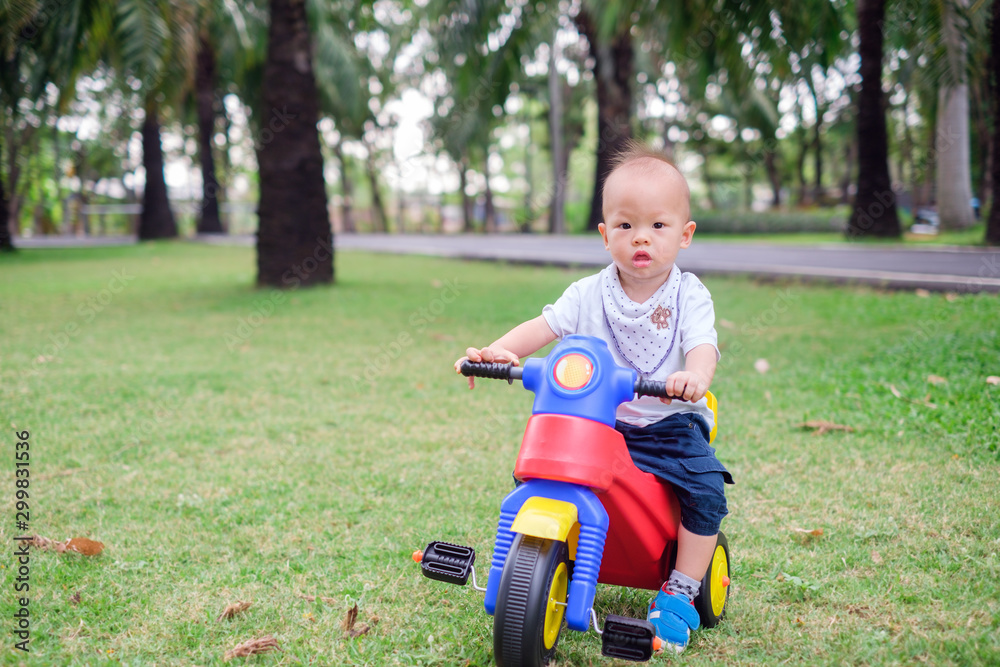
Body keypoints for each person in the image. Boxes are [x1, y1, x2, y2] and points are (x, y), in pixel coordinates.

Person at [454, 140, 733, 653]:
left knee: (704, 484)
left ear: (685, 234)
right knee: (536, 469)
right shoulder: (587, 293)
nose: (640, 238)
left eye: (658, 225)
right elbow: (542, 327)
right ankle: (541, 553)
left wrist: (694, 376)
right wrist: (496, 352)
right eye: (625, 226)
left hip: (667, 423)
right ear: (606, 235)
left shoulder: (688, 294)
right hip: (597, 422)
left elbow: (702, 344)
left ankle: (683, 587)